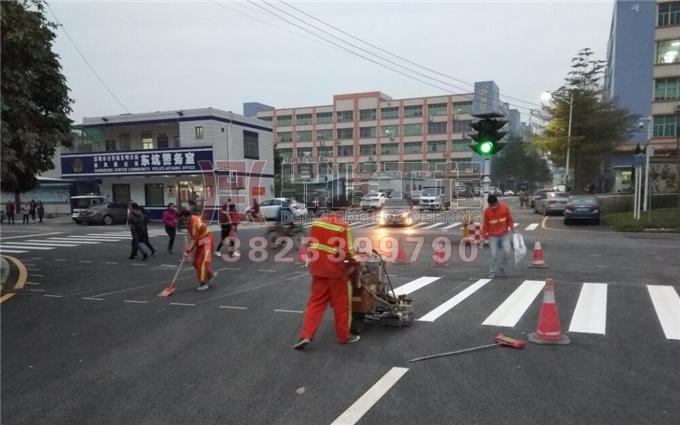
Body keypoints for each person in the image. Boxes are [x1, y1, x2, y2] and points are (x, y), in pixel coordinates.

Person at [294, 211, 361, 350]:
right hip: (336, 272)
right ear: (341, 210)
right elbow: (347, 251)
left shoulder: (317, 222)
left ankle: (306, 335)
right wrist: (357, 262)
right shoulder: (342, 226)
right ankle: (344, 336)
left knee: (315, 304)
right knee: (342, 305)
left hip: (318, 270)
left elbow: (311, 244)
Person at [181, 209, 215, 290]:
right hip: (200, 243)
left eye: (184, 219)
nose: (184, 221)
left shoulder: (194, 224)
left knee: (202, 263)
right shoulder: (191, 221)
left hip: (207, 242)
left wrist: (187, 251)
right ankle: (209, 275)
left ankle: (203, 284)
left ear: (188, 217)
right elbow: (193, 238)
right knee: (195, 262)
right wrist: (188, 250)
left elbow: (194, 239)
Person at [482, 194, 515, 279]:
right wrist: (483, 237)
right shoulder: (487, 211)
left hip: (504, 235)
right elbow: (485, 225)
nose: (491, 207)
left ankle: (502, 267)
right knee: (493, 255)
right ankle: (492, 272)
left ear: (497, 202)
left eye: (493, 205)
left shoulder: (504, 208)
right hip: (493, 236)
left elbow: (509, 219)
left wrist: (512, 228)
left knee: (507, 252)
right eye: (490, 205)